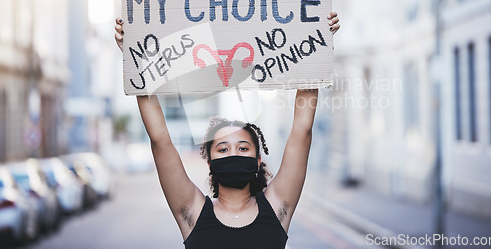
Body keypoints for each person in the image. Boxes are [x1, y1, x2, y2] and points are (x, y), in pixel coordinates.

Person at [114, 12, 340, 248]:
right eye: (223, 149)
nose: (233, 154)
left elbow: (301, 130)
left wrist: (317, 47)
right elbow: (160, 140)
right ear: (210, 162)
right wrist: (136, 59)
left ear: (258, 159)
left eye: (243, 148)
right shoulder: (192, 212)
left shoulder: (277, 206)